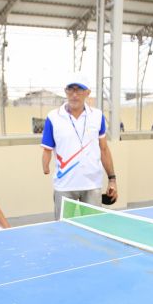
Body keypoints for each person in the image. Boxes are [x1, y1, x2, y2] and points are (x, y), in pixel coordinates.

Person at [41, 74, 118, 220]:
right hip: (64, 186)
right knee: (64, 230)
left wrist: (112, 179)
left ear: (87, 93)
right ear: (65, 91)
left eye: (79, 90)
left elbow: (104, 149)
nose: (74, 94)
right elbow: (47, 148)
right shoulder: (53, 117)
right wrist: (45, 165)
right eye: (71, 89)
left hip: (92, 184)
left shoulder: (97, 116)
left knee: (93, 228)